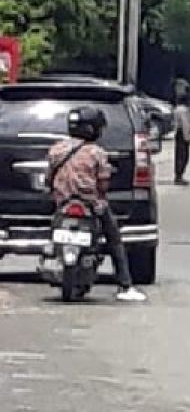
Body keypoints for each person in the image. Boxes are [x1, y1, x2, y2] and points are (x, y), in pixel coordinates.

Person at [47, 107, 147, 302]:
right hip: (91, 204)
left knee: (51, 228)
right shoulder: (97, 153)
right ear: (93, 129)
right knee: (114, 239)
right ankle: (125, 285)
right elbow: (103, 183)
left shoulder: (56, 149)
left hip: (62, 204)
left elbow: (49, 178)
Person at [172, 94, 190, 186]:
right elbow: (185, 124)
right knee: (183, 156)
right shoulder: (184, 111)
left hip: (178, 133)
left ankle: (178, 176)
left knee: (179, 155)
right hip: (182, 134)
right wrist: (187, 138)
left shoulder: (178, 109)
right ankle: (179, 176)